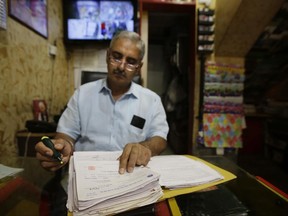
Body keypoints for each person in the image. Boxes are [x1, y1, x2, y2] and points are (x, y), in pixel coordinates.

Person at [35, 30, 169, 174]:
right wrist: (63, 145)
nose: (121, 67)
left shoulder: (152, 100)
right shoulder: (82, 94)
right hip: (85, 175)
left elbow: (160, 138)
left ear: (138, 68)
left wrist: (145, 147)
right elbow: (66, 134)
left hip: (130, 174)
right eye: (116, 57)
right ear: (107, 56)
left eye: (131, 62)